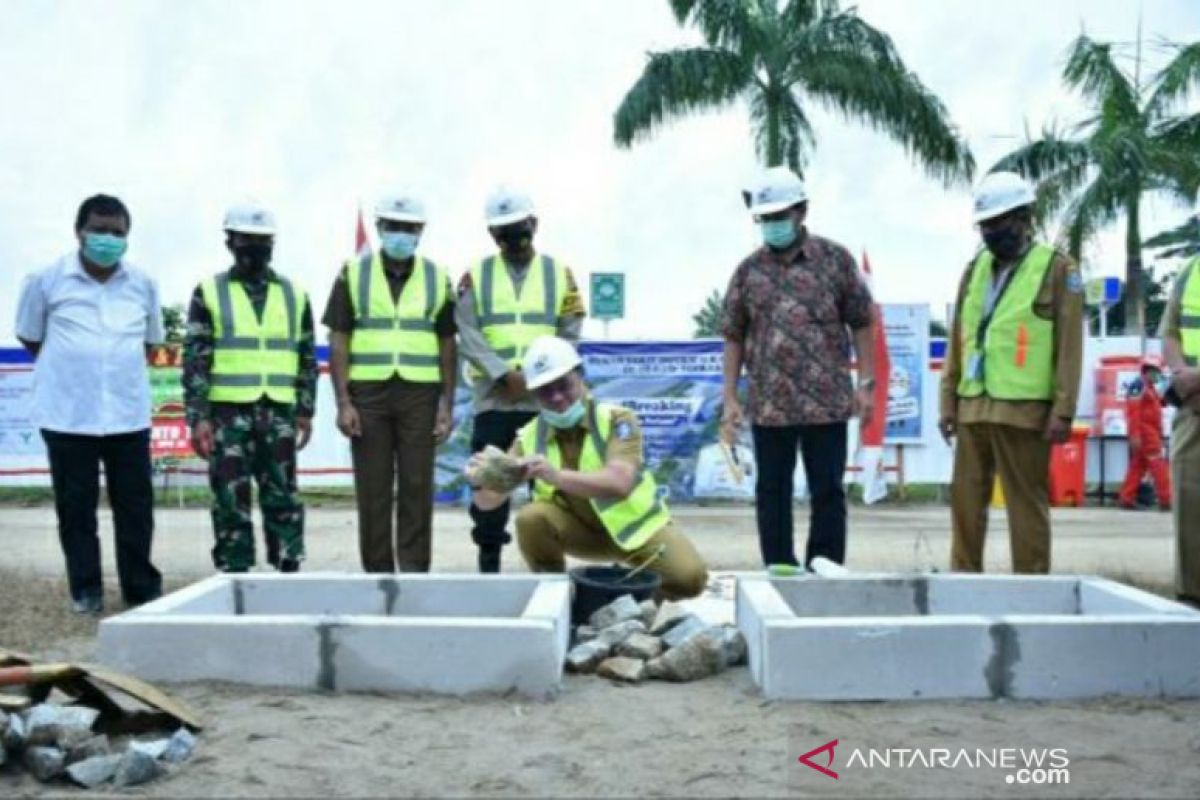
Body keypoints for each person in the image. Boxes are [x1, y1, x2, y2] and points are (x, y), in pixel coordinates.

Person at [465, 336, 708, 599]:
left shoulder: (617, 420)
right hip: (581, 533)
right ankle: (556, 596)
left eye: (564, 386)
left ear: (581, 377)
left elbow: (620, 483)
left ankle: (635, 601)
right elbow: (487, 503)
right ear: (534, 395)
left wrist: (554, 475)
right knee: (531, 518)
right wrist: (484, 479)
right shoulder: (529, 435)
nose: (557, 397)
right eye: (545, 390)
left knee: (690, 579)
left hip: (636, 529)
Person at [720, 166, 879, 569]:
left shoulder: (835, 260)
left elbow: (862, 321)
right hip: (769, 405)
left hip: (826, 402)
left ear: (802, 211)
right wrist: (729, 399)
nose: (773, 225)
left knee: (827, 490)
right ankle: (780, 567)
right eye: (766, 218)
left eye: (780, 216)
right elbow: (734, 335)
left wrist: (868, 384)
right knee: (771, 490)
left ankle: (824, 567)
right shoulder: (748, 271)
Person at [14, 194, 163, 613]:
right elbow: (31, 337)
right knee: (76, 510)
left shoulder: (143, 284)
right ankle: (86, 589)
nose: (107, 239)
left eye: (117, 232)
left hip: (127, 414)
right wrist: (76, 364)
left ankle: (141, 588)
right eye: (99, 230)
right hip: (67, 415)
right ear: (79, 231)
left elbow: (151, 343)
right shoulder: (46, 280)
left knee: (135, 507)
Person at [939, 171, 1084, 574]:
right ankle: (963, 584)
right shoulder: (975, 269)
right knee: (965, 504)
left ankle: (1033, 590)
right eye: (984, 224)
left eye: (998, 222)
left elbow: (1069, 345)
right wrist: (947, 399)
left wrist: (1064, 409)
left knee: (1025, 506)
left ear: (1023, 218)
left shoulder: (1057, 270)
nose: (990, 231)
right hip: (973, 407)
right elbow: (960, 337)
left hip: (1024, 412)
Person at [323, 191, 456, 572]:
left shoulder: (437, 276)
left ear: (421, 231)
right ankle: (377, 575)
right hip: (368, 395)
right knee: (373, 489)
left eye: (409, 228)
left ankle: (414, 573)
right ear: (380, 228)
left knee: (417, 486)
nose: (401, 234)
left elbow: (447, 342)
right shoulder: (352, 273)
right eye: (394, 227)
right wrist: (343, 402)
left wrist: (447, 404)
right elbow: (339, 338)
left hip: (420, 393)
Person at [455, 185, 586, 573]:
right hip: (494, 398)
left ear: (534, 223)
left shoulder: (559, 273)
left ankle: (547, 565)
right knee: (490, 480)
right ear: (492, 235)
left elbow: (570, 329)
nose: (513, 236)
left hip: (545, 400)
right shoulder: (475, 276)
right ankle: (489, 558)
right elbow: (467, 330)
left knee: (546, 484)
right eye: (504, 230)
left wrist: (539, 379)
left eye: (519, 226)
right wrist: (502, 374)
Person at [183, 201, 318, 573]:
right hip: (227, 412)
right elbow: (196, 358)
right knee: (230, 495)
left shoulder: (294, 294)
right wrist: (198, 417)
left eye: (262, 240)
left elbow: (306, 356)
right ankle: (234, 568)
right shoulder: (209, 292)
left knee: (283, 493)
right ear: (230, 241)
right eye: (246, 239)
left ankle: (287, 563)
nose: (254, 247)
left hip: (279, 410)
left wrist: (306, 410)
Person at [1159, 215, 1200, 606]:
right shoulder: (1191, 271)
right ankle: (1191, 603)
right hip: (1193, 412)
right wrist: (1180, 374)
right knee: (1189, 506)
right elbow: (1169, 331)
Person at [1117, 357, 1171, 511]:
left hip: (1149, 433)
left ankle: (1126, 498)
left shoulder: (1149, 388)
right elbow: (1133, 413)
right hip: (1146, 434)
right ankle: (1166, 500)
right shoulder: (1139, 386)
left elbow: (1162, 403)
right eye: (1156, 372)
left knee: (1138, 467)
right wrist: (1134, 436)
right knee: (1159, 467)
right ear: (1147, 371)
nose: (1158, 376)